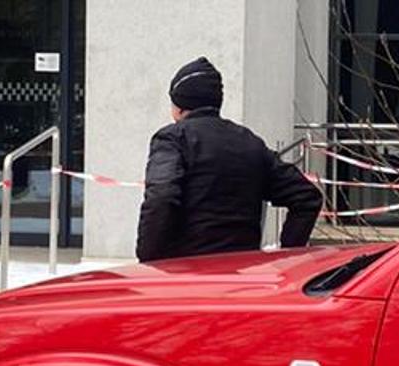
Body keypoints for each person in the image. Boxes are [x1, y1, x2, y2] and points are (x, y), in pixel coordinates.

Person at [136, 57, 322, 263]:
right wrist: (287, 253)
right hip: (240, 277)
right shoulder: (249, 143)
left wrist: (148, 259)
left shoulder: (173, 139)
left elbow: (161, 196)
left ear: (179, 106)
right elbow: (307, 196)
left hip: (184, 277)